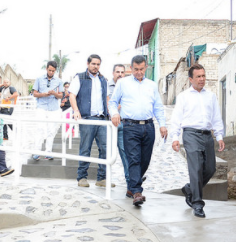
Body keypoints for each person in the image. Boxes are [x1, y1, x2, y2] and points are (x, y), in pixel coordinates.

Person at [109, 55, 167, 206]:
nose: (139, 72)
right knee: (133, 159)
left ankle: (131, 187)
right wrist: (115, 113)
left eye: (141, 69)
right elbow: (113, 102)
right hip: (130, 126)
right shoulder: (123, 83)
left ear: (146, 68)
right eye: (136, 69)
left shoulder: (152, 85)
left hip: (148, 126)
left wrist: (162, 124)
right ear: (131, 68)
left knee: (145, 160)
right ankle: (137, 192)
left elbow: (158, 107)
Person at [171, 64, 225, 218]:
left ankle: (190, 188)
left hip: (207, 135)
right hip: (191, 134)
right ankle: (197, 204)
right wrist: (175, 137)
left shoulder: (211, 96)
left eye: (203, 76)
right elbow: (176, 119)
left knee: (210, 168)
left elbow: (216, 117)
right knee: (195, 169)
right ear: (191, 79)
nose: (202, 79)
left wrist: (219, 136)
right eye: (198, 77)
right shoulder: (183, 97)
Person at [69, 54, 113, 188]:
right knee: (85, 148)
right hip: (87, 118)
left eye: (98, 64)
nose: (96, 66)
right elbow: (72, 95)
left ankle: (102, 178)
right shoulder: (80, 77)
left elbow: (106, 98)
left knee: (105, 149)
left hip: (102, 119)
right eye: (93, 64)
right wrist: (76, 110)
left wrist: (110, 112)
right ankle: (82, 177)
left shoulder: (103, 79)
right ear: (88, 64)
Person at [32, 61, 63, 160]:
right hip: (41, 107)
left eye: (53, 71)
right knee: (39, 129)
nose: (51, 72)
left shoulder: (59, 81)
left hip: (53, 108)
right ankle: (36, 152)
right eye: (49, 70)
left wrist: (54, 93)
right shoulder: (39, 79)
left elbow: (61, 96)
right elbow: (35, 94)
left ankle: (48, 152)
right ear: (46, 69)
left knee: (51, 130)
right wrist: (43, 94)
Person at [107, 63, 130, 196]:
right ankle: (104, 179)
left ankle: (130, 183)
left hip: (123, 124)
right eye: (118, 72)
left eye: (122, 72)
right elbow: (109, 102)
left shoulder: (127, 85)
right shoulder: (107, 85)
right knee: (106, 153)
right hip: (109, 125)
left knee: (125, 154)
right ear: (113, 73)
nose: (120, 74)